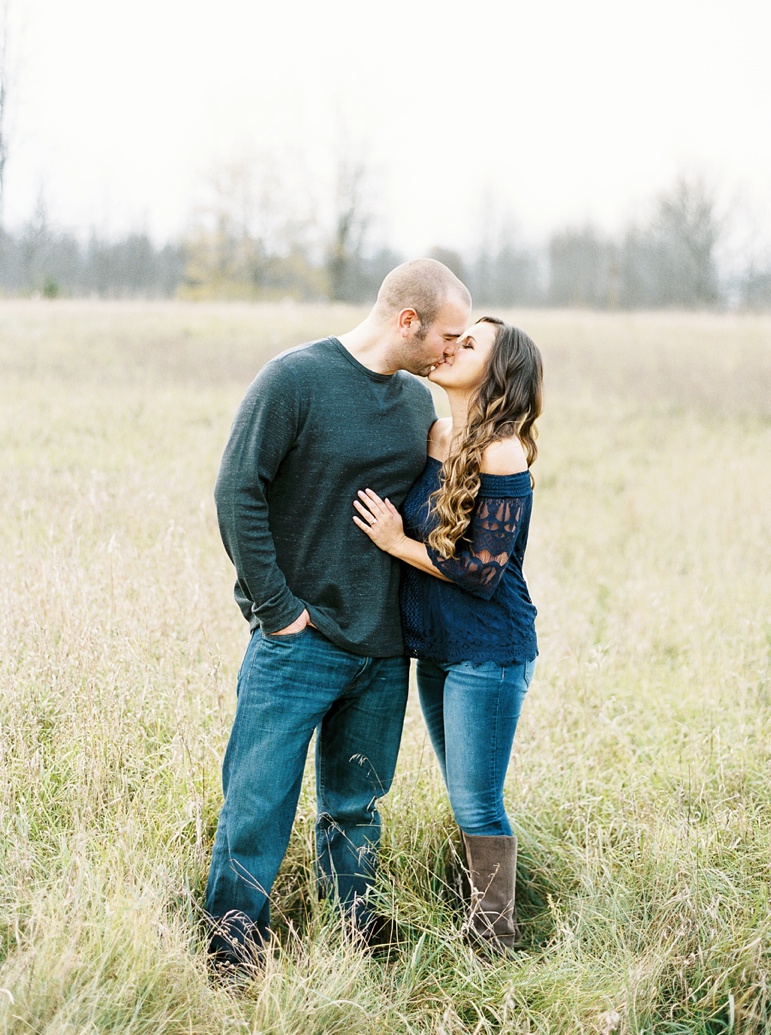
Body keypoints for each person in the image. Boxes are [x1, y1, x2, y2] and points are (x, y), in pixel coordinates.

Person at [205, 258, 472, 971]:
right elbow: (238, 491)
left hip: (383, 650)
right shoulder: (294, 380)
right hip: (299, 643)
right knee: (257, 806)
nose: (453, 350)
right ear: (406, 320)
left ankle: (352, 950)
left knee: (355, 808)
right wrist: (277, 611)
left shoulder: (417, 406)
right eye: (448, 335)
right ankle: (230, 957)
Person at [353, 316, 543, 955]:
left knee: (476, 802)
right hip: (437, 649)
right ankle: (481, 923)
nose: (451, 347)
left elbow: (483, 573)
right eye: (454, 338)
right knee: (464, 794)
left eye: (470, 345)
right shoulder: (437, 435)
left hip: (488, 650)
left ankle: (494, 940)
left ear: (495, 372)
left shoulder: (502, 449)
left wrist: (395, 543)